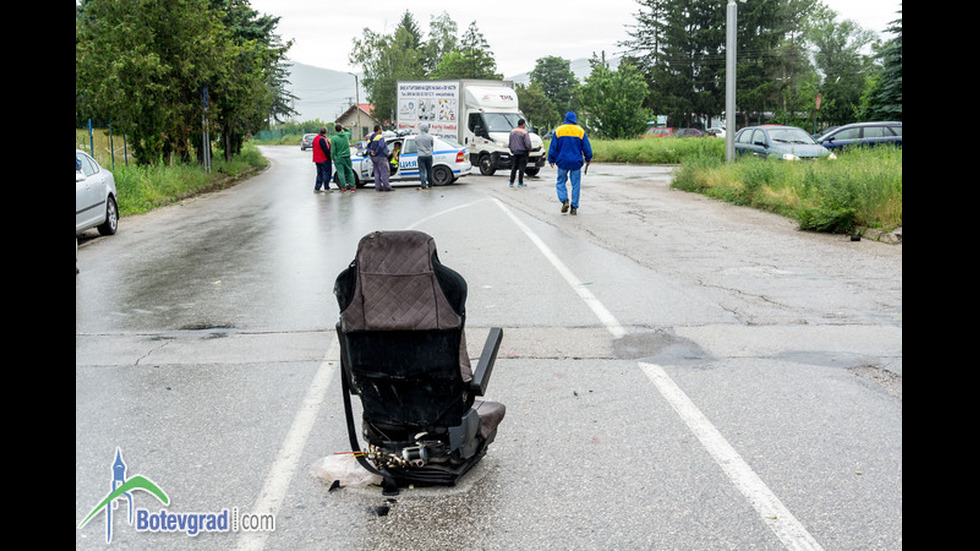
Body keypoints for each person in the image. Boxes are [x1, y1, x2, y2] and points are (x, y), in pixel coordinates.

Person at [547, 111, 592, 215]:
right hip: (576, 162)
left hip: (562, 161)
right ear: (575, 119)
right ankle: (574, 208)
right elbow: (586, 146)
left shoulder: (559, 130)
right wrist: (588, 158)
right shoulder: (580, 131)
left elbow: (553, 146)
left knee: (561, 181)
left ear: (565, 119)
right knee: (576, 185)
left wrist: (551, 159)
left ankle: (564, 200)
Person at [366, 125, 392, 191]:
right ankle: (387, 187)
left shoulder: (370, 137)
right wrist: (376, 153)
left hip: (373, 158)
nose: (382, 131)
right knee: (384, 172)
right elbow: (381, 146)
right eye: (381, 129)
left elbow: (367, 147)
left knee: (376, 172)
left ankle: (378, 187)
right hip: (381, 156)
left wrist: (371, 152)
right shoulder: (380, 137)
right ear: (379, 130)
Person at [331, 124, 356, 192]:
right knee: (349, 171)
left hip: (339, 158)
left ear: (335, 130)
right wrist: (344, 127)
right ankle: (353, 186)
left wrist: (333, 158)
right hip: (347, 157)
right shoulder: (346, 135)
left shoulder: (334, 138)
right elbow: (349, 131)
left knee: (340, 172)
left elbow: (333, 150)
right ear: (341, 129)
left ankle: (343, 187)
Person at [508, 118, 532, 188]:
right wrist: (529, 149)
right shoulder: (524, 132)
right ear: (523, 124)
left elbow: (510, 142)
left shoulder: (512, 131)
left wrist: (511, 149)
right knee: (522, 167)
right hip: (523, 152)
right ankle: (520, 182)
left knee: (514, 167)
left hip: (515, 152)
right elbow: (527, 143)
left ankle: (511, 182)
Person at [313, 126, 332, 192]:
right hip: (324, 159)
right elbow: (326, 150)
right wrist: (330, 157)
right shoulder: (323, 139)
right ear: (326, 132)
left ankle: (317, 188)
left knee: (319, 174)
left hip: (317, 159)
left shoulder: (316, 138)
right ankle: (326, 188)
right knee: (326, 174)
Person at [415, 124, 435, 190]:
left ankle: (423, 185)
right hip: (429, 155)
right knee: (429, 170)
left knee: (422, 171)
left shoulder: (417, 137)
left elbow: (416, 144)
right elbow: (432, 144)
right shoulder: (430, 137)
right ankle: (430, 184)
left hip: (421, 156)